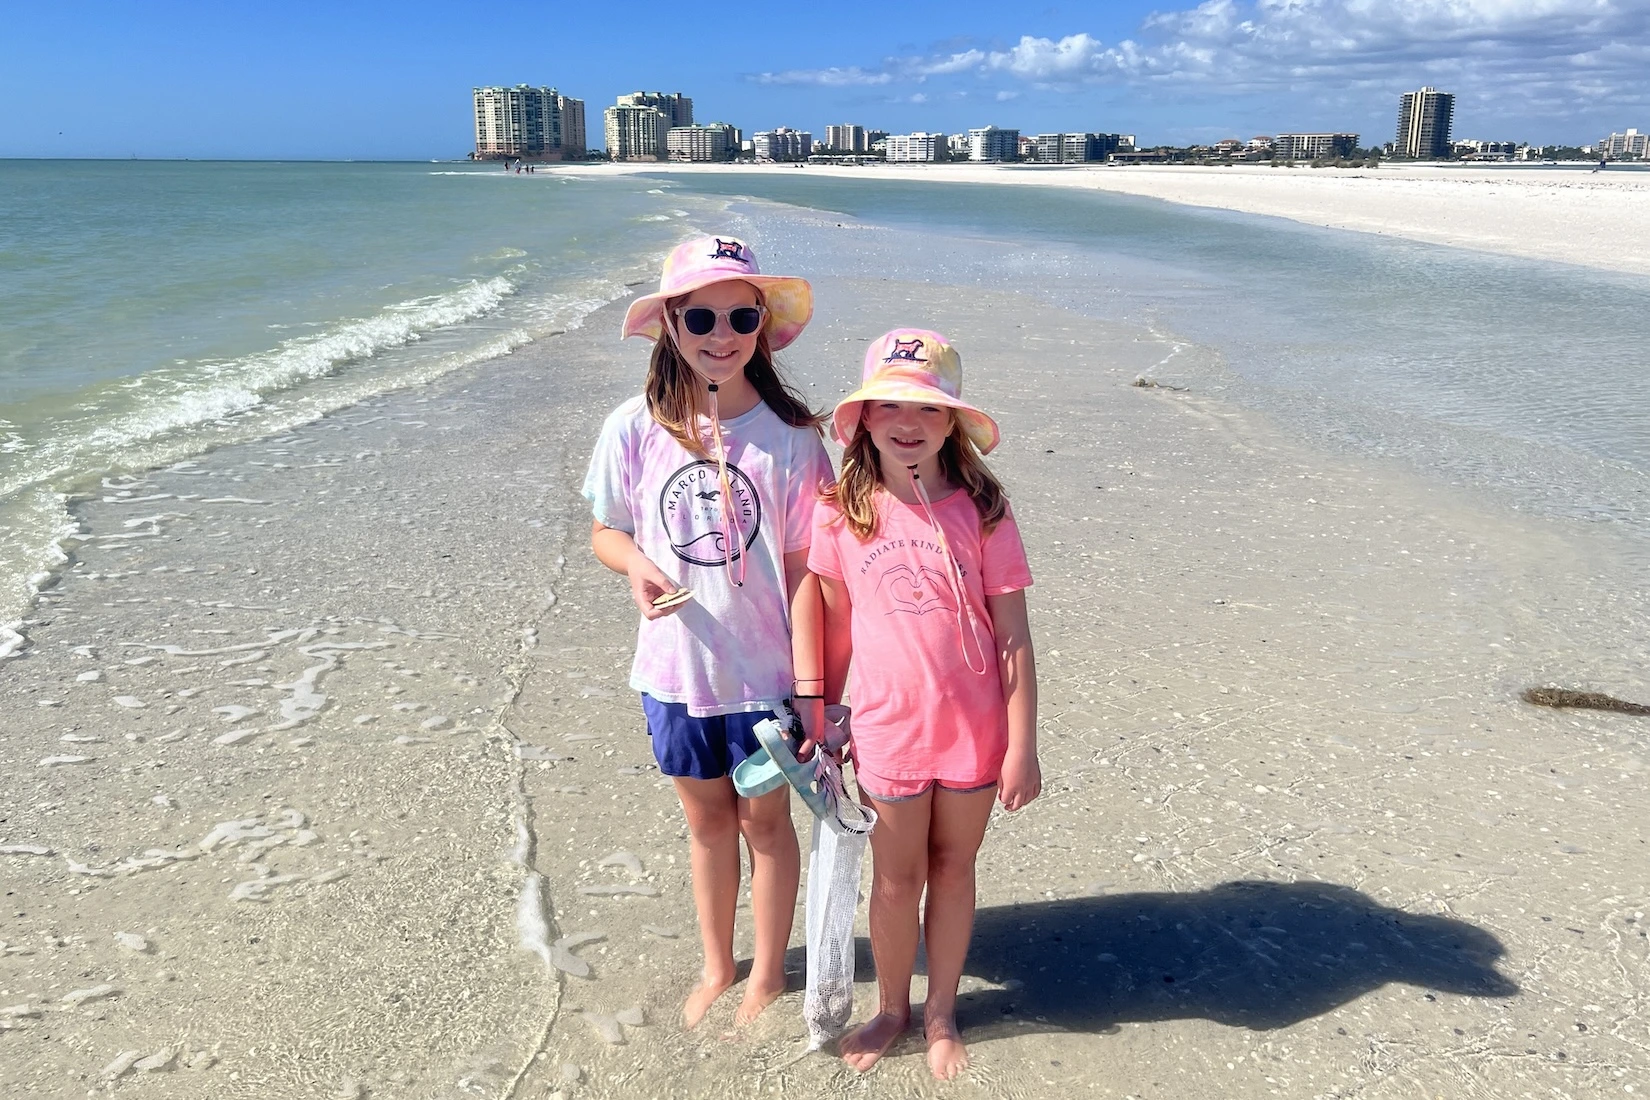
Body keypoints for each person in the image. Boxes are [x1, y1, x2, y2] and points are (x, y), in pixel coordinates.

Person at [583, 235, 833, 1028]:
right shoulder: (634, 426)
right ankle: (718, 965)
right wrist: (633, 566)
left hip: (767, 680)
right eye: (700, 317)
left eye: (739, 316)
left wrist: (813, 689)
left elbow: (804, 574)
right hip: (675, 673)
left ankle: (765, 974)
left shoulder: (792, 438)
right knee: (707, 825)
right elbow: (604, 530)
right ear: (670, 327)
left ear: (762, 326)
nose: (720, 334)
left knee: (768, 826)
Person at [809, 328, 1040, 1079]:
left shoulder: (985, 510)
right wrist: (822, 715)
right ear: (864, 417)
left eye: (929, 410)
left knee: (955, 868)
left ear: (952, 424)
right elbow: (837, 621)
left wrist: (1022, 743)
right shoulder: (842, 511)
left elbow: (1013, 638)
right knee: (895, 879)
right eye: (889, 407)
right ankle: (893, 1009)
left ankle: (942, 1010)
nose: (908, 423)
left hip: (973, 733)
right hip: (887, 732)